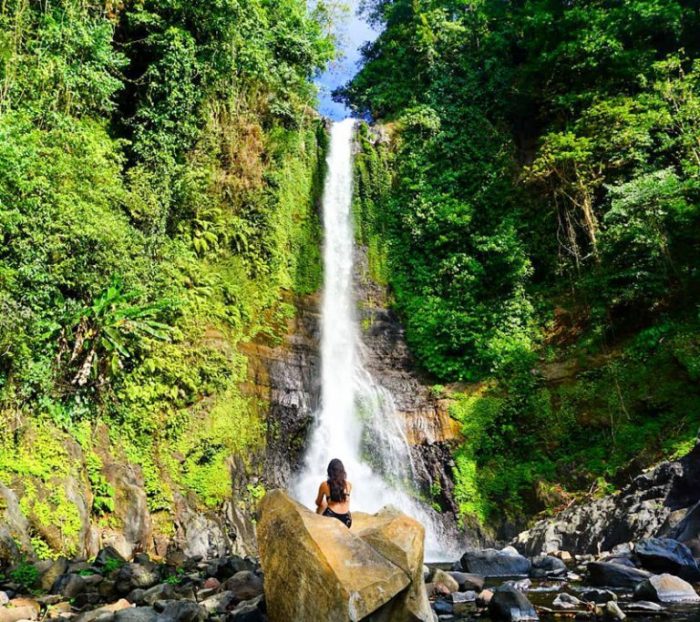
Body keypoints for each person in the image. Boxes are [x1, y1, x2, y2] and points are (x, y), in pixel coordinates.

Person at [315, 458, 352, 528]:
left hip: (330, 517)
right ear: (343, 471)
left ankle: (316, 527)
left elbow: (318, 502)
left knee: (321, 506)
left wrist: (326, 503)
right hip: (346, 520)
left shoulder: (324, 485)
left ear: (329, 471)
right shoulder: (349, 485)